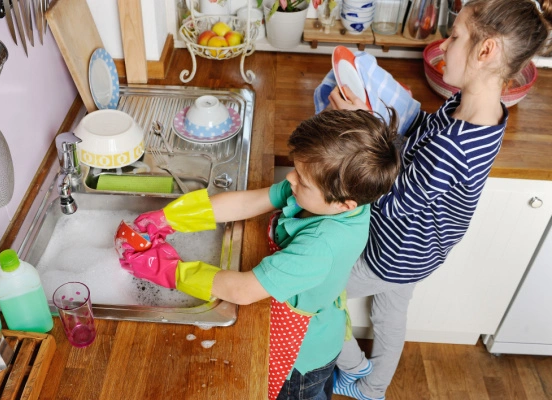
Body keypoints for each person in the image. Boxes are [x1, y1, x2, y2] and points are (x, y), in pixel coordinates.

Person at [326, 0, 552, 399]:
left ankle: (354, 367)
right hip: (423, 249)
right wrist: (376, 117)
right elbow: (416, 146)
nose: (444, 46)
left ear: (486, 51)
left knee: (316, 292)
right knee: (390, 315)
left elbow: (392, 201)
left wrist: (361, 128)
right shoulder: (478, 110)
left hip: (395, 251)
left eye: (455, 36)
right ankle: (373, 388)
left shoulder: (455, 143)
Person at [118, 109, 400, 400]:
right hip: (322, 330)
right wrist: (170, 218)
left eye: (302, 180)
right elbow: (248, 202)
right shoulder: (335, 195)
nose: (290, 177)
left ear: (344, 203)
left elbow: (242, 290)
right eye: (295, 169)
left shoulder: (321, 245)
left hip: (300, 360)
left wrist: (166, 270)